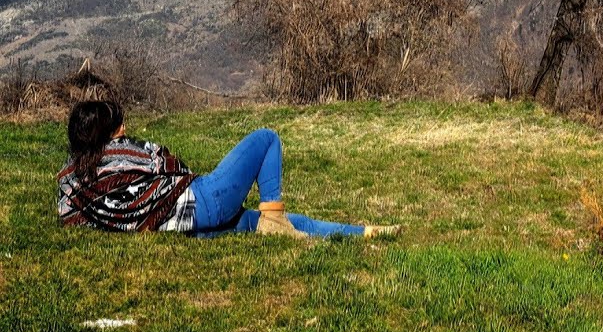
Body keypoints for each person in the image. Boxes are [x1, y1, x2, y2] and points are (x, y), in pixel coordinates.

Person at [57, 98, 399, 239]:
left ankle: (362, 233)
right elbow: (170, 163)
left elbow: (70, 216)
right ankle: (286, 217)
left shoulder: (72, 181)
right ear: (111, 132)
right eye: (121, 126)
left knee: (261, 224)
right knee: (266, 138)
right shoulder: (123, 152)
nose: (125, 129)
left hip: (184, 227)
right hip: (203, 200)